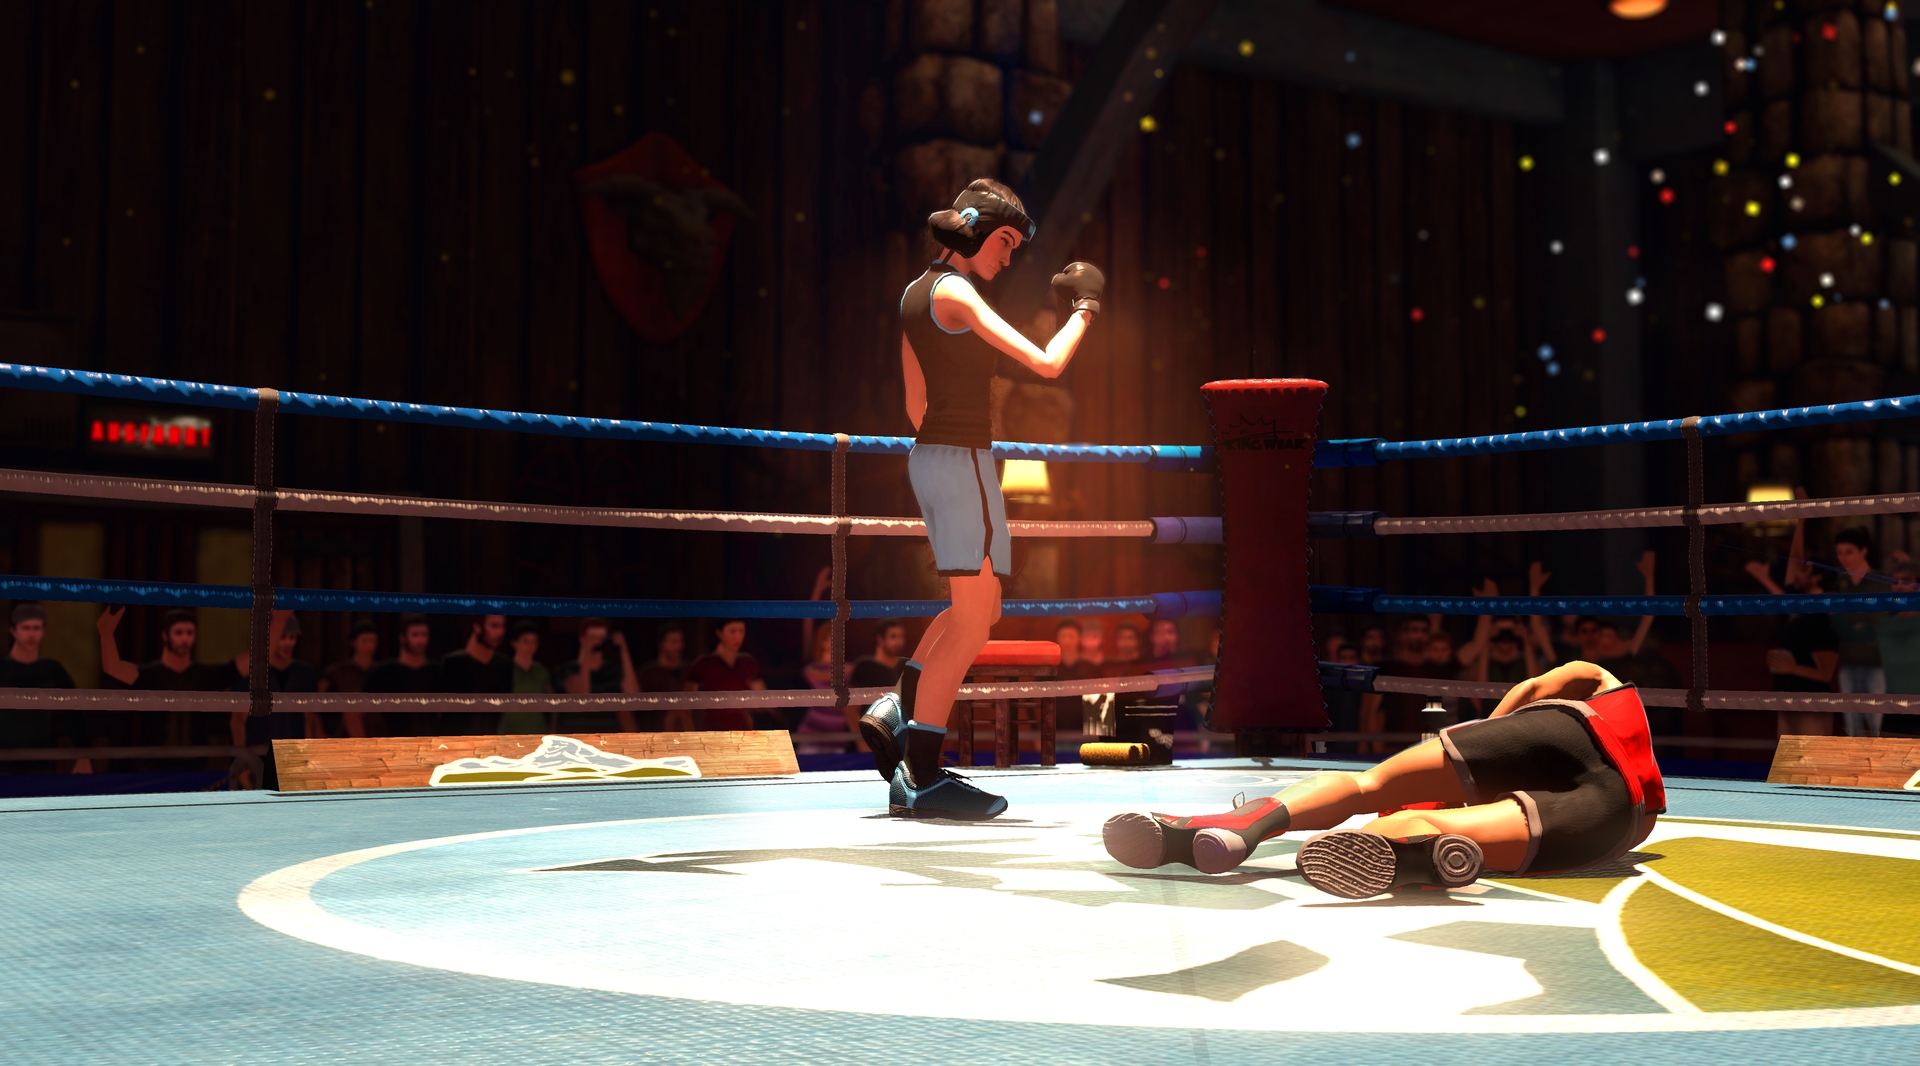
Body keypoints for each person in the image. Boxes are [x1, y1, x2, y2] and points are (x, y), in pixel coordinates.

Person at [854, 177, 1101, 820]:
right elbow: (1046, 364)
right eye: (1005, 241)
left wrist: (948, 449)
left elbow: (914, 404)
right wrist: (1085, 308)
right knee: (971, 622)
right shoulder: (958, 292)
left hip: (933, 458)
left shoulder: (915, 293)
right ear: (976, 232)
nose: (1009, 257)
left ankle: (899, 705)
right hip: (962, 458)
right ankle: (920, 775)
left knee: (982, 605)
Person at [1102, 660, 1664, 898]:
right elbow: (1634, 824)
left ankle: (1241, 822)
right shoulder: (1644, 824)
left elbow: (1545, 685)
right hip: (1616, 814)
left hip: (1568, 728)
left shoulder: (1606, 686)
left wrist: (1489, 745)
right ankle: (1413, 853)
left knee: (1368, 786)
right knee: (1433, 826)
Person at [1745, 514, 1840, 738]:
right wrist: (1800, 521)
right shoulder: (1798, 607)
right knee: (1788, 758)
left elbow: (1826, 673)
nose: (1797, 572)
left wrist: (1792, 667)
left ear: (1817, 578)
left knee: (1812, 758)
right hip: (1788, 697)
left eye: (1804, 570)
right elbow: (1794, 564)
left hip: (1811, 702)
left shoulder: (1820, 617)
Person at [97, 606, 243, 749]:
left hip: (195, 761)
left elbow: (241, 665)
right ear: (165, 635)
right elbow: (113, 668)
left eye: (190, 633)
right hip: (155, 761)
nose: (185, 639)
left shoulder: (204, 675)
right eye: (178, 632)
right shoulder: (149, 674)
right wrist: (106, 634)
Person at [227, 610, 318, 788]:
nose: (288, 643)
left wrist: (308, 760)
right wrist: (242, 762)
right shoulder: (251, 674)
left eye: (292, 637)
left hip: (293, 760)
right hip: (258, 759)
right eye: (283, 637)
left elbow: (308, 719)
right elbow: (237, 721)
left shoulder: (304, 674)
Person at [0, 603, 80, 773]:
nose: (31, 634)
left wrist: (83, 755)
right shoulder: (1, 668)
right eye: (25, 628)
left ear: (44, 630)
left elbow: (75, 712)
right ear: (13, 630)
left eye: (36, 628)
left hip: (41, 758)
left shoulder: (53, 670)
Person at [1829, 527, 1890, 738]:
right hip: (1848, 662)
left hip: (1877, 664)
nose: (1843, 558)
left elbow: (1877, 626)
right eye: (1839, 552)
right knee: (1853, 730)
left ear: (1863, 551)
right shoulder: (1839, 583)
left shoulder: (1882, 582)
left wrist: (1845, 621)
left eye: (1849, 552)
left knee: (1878, 728)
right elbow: (1835, 623)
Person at [364, 614, 444, 735]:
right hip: (394, 741)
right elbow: (354, 711)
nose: (420, 640)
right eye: (415, 635)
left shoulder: (436, 671)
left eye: (424, 635)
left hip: (431, 741)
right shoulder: (384, 671)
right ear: (402, 638)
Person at [557, 619, 640, 733]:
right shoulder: (568, 669)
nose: (599, 641)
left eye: (602, 637)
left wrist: (623, 650)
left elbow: (634, 695)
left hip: (609, 733)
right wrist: (588, 650)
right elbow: (581, 696)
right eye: (594, 637)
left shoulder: (613, 670)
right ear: (582, 639)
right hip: (577, 732)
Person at [684, 619, 765, 731]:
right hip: (713, 731)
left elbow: (762, 701)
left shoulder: (748, 663)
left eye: (741, 631)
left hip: (743, 732)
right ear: (719, 633)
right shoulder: (704, 664)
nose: (738, 637)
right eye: (732, 631)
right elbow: (686, 707)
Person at [320, 619, 380, 738]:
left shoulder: (382, 672)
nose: (369, 645)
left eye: (372, 641)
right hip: (345, 735)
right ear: (354, 643)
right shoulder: (336, 673)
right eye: (364, 641)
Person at [499, 620, 554, 734]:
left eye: (534, 642)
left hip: (537, 729)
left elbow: (552, 703)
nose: (531, 646)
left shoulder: (541, 671)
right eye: (526, 642)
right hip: (510, 730)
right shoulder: (505, 670)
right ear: (514, 643)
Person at [639, 623, 687, 731]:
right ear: (661, 644)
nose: (678, 646)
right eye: (673, 641)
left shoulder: (689, 671)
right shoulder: (648, 674)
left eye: (681, 641)